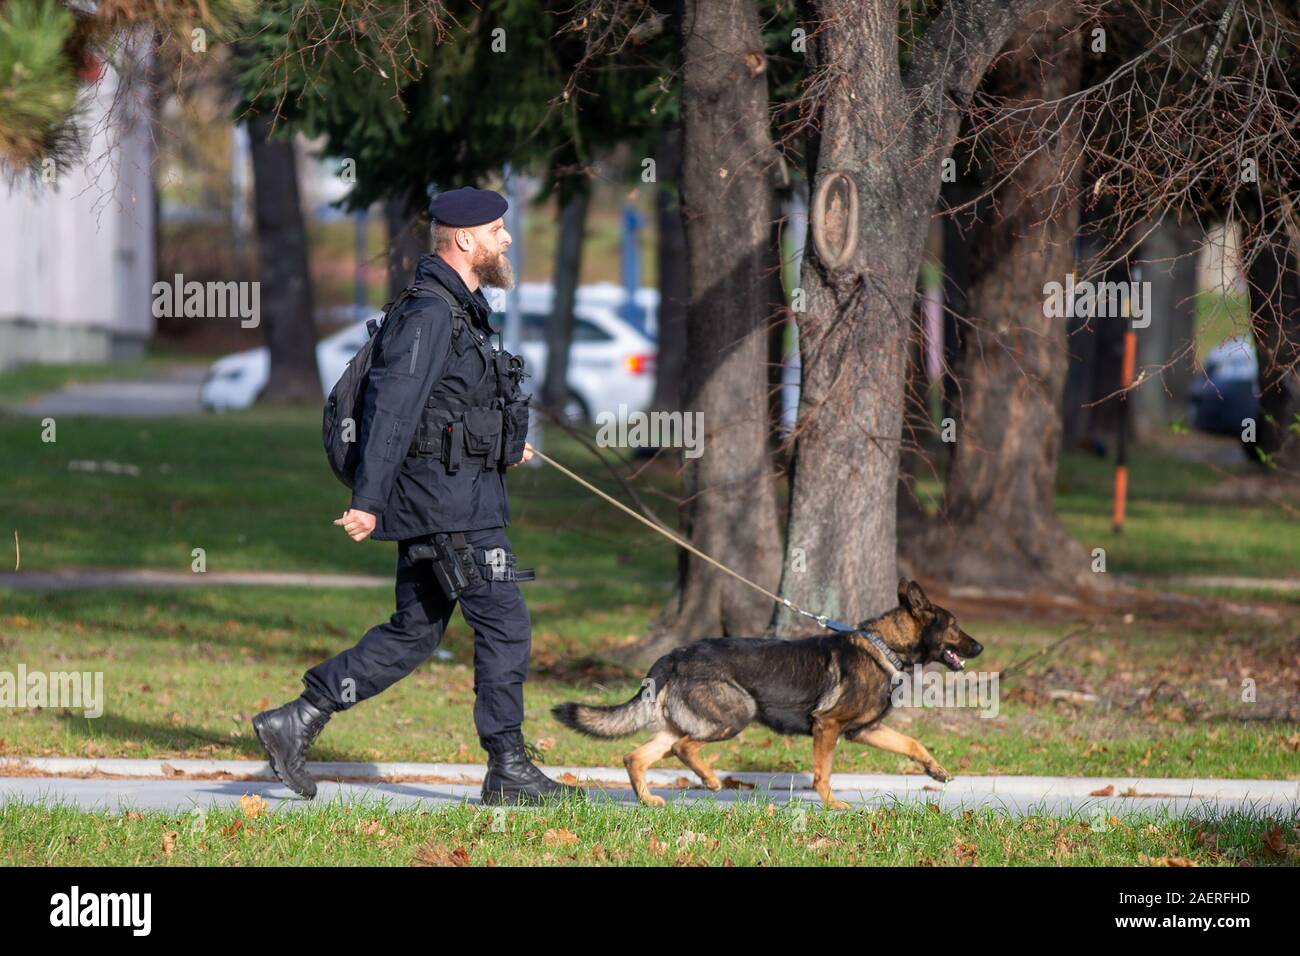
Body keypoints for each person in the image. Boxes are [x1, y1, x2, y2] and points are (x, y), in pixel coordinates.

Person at [253, 186, 583, 806]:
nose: (506, 239)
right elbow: (392, 410)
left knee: (415, 632)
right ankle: (507, 766)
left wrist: (503, 444)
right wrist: (367, 499)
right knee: (506, 625)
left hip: (455, 498)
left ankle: (296, 719)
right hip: (447, 509)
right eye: (497, 230)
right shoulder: (430, 313)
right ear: (464, 239)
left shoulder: (456, 311)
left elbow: (449, 408)